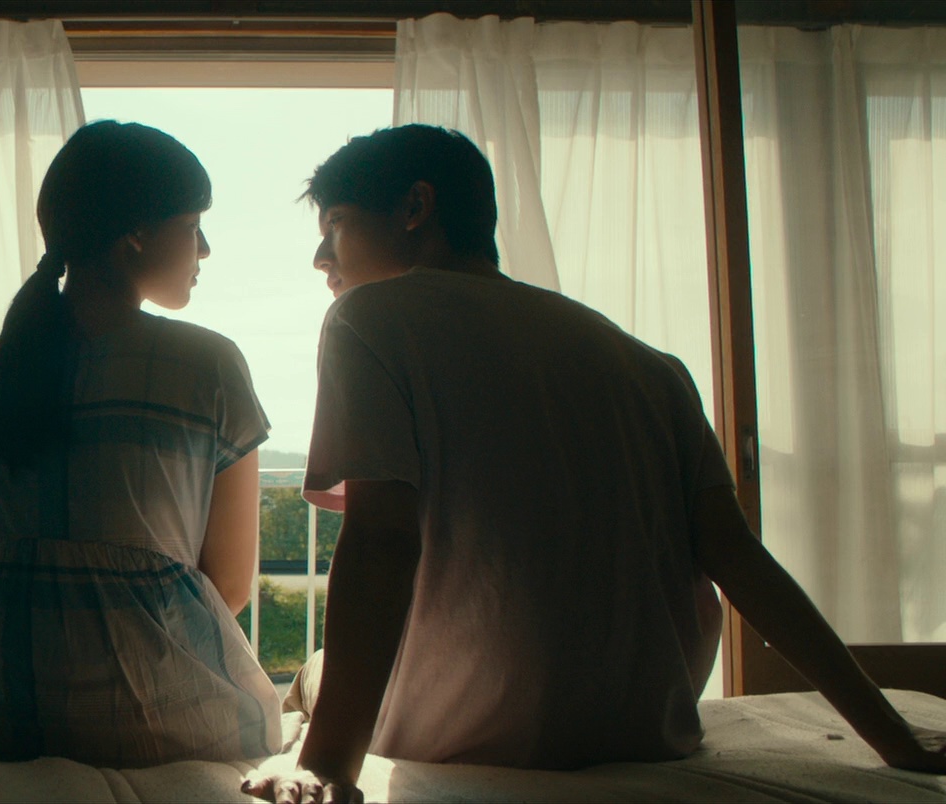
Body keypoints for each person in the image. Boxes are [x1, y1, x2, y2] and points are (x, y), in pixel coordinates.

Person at [243, 124, 946, 804]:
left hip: (462, 728)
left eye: (336, 225)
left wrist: (328, 764)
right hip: (650, 728)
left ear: (414, 208)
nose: (321, 257)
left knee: (313, 676)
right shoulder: (650, 365)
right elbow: (740, 560)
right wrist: (891, 735)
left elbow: (381, 538)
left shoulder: (370, 317)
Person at [0, 120, 282, 768]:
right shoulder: (208, 367)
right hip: (157, 724)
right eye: (192, 225)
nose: (204, 249)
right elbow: (229, 588)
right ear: (135, 234)